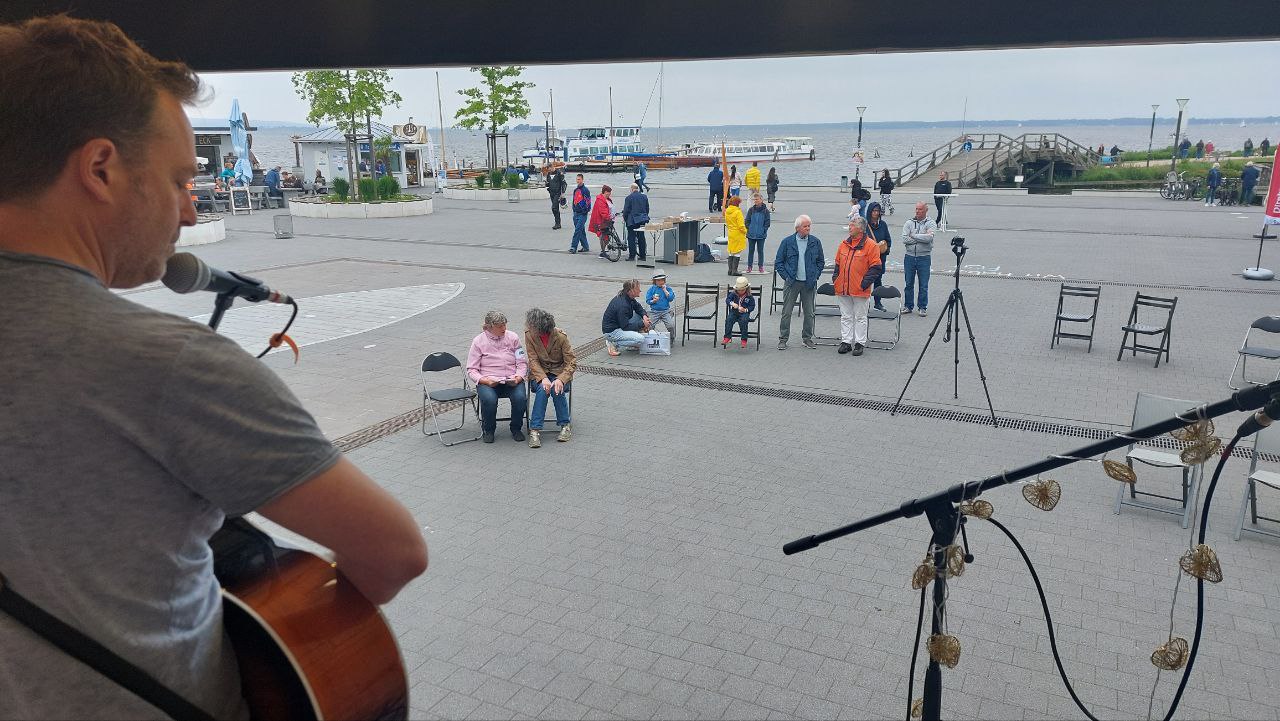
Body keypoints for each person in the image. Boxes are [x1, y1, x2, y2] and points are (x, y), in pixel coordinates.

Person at [0, 16, 428, 719]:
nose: (190, 208)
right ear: (100, 168)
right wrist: (288, 641)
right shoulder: (163, 365)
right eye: (178, 179)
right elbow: (393, 550)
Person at [466, 311, 528, 443]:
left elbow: (522, 362)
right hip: (488, 381)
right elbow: (471, 369)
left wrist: (519, 377)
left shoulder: (513, 337)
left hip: (511, 379)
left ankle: (516, 428)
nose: (504, 329)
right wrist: (485, 380)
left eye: (505, 325)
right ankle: (488, 430)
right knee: (489, 399)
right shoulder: (478, 341)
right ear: (489, 327)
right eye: (500, 326)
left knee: (520, 398)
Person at [523, 308, 574, 448]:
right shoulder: (529, 336)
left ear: (539, 328)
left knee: (556, 388)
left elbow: (571, 362)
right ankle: (535, 430)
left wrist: (561, 379)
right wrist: (542, 378)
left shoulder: (561, 337)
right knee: (542, 389)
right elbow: (532, 360)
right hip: (539, 373)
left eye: (531, 325)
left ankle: (565, 425)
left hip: (559, 373)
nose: (528, 327)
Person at [832, 216, 883, 357]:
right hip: (843, 288)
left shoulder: (871, 245)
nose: (849, 227)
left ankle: (860, 343)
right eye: (850, 224)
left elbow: (876, 267)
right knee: (846, 316)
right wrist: (836, 279)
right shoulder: (843, 244)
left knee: (860, 317)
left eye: (852, 225)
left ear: (860, 228)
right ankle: (846, 341)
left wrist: (863, 283)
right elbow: (837, 264)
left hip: (860, 289)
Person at [774, 215, 825, 351]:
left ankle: (807, 338)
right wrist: (786, 277)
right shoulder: (787, 242)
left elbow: (820, 262)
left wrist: (815, 275)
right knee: (787, 312)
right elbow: (779, 262)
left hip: (808, 283)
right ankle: (783, 339)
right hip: (792, 282)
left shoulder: (815, 242)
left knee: (809, 313)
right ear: (797, 228)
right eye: (805, 226)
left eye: (809, 226)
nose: (808, 228)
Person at [901, 201, 937, 317]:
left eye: (920, 209)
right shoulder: (909, 223)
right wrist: (920, 237)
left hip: (924, 257)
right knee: (908, 283)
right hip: (909, 257)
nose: (917, 211)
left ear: (926, 210)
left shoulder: (931, 223)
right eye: (916, 209)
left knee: (923, 284)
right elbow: (905, 239)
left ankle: (922, 307)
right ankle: (908, 306)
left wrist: (914, 236)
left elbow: (929, 239)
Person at [602, 279, 651, 355]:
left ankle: (630, 341)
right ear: (631, 291)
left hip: (620, 324)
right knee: (640, 339)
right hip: (612, 331)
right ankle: (613, 343)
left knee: (640, 314)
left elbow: (638, 307)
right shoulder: (623, 305)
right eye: (637, 289)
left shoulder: (628, 297)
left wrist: (644, 316)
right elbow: (625, 326)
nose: (640, 290)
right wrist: (642, 324)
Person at [865, 201, 891, 310]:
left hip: (880, 258)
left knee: (878, 280)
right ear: (870, 212)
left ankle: (877, 302)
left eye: (877, 211)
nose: (876, 213)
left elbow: (888, 240)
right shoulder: (864, 225)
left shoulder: (883, 225)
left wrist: (885, 248)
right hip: (866, 259)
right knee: (865, 281)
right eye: (874, 211)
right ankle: (864, 303)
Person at [722, 276, 757, 350]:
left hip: (744, 312)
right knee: (729, 320)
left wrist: (745, 310)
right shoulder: (734, 294)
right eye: (739, 290)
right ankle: (727, 337)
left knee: (744, 321)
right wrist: (732, 303)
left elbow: (752, 306)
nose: (740, 291)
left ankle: (744, 339)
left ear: (746, 289)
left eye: (742, 290)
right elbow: (727, 300)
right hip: (734, 311)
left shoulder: (749, 296)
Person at [622, 182, 650, 261]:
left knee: (631, 238)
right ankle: (643, 255)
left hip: (632, 221)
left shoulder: (629, 198)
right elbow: (647, 209)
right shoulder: (644, 197)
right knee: (641, 237)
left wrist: (625, 218)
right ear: (637, 189)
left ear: (631, 189)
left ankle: (632, 256)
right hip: (642, 220)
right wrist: (644, 216)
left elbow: (626, 211)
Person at [645, 271, 677, 341]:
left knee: (670, 325)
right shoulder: (651, 289)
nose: (661, 282)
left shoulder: (668, 288)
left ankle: (672, 338)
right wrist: (653, 301)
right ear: (655, 281)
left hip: (665, 311)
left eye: (662, 280)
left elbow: (671, 298)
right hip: (654, 311)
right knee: (649, 325)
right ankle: (650, 339)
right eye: (658, 280)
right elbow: (648, 301)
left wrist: (665, 290)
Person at [744, 192, 771, 274]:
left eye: (757, 199)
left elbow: (767, 223)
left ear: (761, 200)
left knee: (760, 251)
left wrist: (763, 230)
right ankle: (749, 267)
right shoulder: (751, 210)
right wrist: (750, 228)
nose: (755, 201)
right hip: (751, 235)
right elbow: (747, 221)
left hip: (761, 235)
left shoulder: (766, 211)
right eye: (754, 199)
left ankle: (761, 267)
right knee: (751, 251)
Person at [589, 184, 615, 259]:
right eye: (609, 193)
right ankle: (602, 252)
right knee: (603, 236)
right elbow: (603, 212)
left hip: (605, 221)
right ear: (605, 192)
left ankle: (603, 251)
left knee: (605, 236)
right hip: (601, 222)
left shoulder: (606, 199)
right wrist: (609, 217)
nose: (610, 194)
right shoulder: (600, 200)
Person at [724, 195, 747, 276]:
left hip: (730, 232)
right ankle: (735, 270)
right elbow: (741, 225)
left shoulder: (727, 211)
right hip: (738, 234)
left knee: (731, 252)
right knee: (737, 252)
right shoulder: (738, 212)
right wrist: (745, 231)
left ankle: (730, 270)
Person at [569, 173, 592, 253]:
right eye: (577, 179)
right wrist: (574, 209)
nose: (577, 181)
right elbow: (574, 200)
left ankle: (573, 247)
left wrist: (584, 211)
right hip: (575, 214)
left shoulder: (585, 190)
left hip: (582, 214)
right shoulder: (575, 190)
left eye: (579, 179)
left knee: (577, 230)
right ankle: (585, 246)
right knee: (581, 231)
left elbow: (588, 203)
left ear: (582, 180)